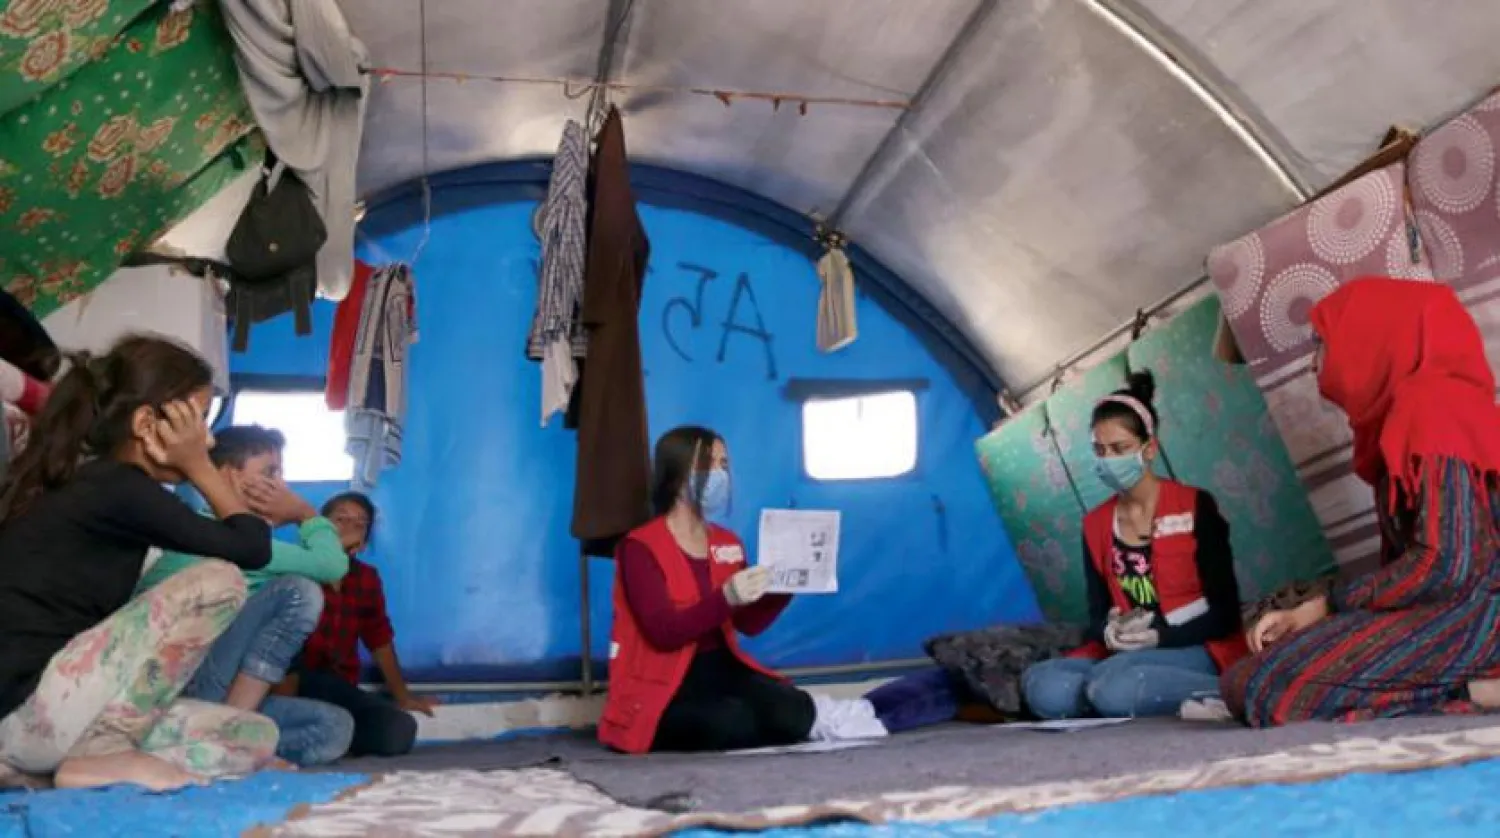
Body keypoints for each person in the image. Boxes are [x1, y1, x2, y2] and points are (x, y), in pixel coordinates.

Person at [0, 335, 278, 791]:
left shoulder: (95, 481)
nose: (206, 438)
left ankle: (45, 771)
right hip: (26, 708)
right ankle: (103, 754)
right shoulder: (118, 486)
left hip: (47, 719)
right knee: (219, 582)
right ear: (147, 422)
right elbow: (250, 545)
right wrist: (201, 467)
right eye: (198, 420)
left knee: (255, 735)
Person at [1222, 278, 1500, 726]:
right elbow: (1412, 569)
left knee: (1272, 690)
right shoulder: (1395, 424)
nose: (1315, 365)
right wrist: (1314, 615)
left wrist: (1327, 605)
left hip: (1480, 617)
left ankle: (1476, 691)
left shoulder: (1435, 406)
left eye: (1321, 344)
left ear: (1370, 336)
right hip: (1448, 608)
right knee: (1241, 677)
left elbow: (1447, 565)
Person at [599, 426, 882, 754]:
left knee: (795, 712)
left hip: (720, 666)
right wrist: (726, 598)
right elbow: (663, 632)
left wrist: (781, 586)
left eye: (723, 464)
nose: (719, 474)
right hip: (664, 675)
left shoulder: (726, 542)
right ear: (675, 475)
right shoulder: (640, 547)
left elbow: (748, 624)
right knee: (730, 723)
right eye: (707, 465)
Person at [1021, 371, 1248, 719]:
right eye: (1100, 451)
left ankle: (1235, 688)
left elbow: (1226, 614)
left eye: (1120, 449)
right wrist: (1110, 630)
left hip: (1195, 645)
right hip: (1127, 655)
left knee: (1114, 687)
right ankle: (1115, 694)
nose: (1109, 460)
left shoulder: (1196, 505)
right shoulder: (1095, 524)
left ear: (1149, 449)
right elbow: (1096, 615)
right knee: (1045, 685)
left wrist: (1159, 638)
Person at [136, 425, 354, 766]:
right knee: (299, 592)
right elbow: (331, 565)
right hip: (169, 688)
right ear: (225, 477)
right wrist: (306, 514)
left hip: (211, 691)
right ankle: (226, 742)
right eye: (270, 473)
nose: (281, 486)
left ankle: (209, 738)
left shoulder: (244, 539)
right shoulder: (219, 535)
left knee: (333, 727)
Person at [278, 492, 435, 758]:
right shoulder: (295, 567)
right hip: (292, 684)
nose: (350, 527)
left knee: (397, 731)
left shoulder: (366, 579)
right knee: (316, 691)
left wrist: (402, 696)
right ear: (318, 528)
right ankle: (301, 733)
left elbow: (379, 639)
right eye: (340, 519)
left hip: (339, 687)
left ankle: (326, 736)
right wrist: (331, 553)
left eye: (360, 524)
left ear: (363, 543)